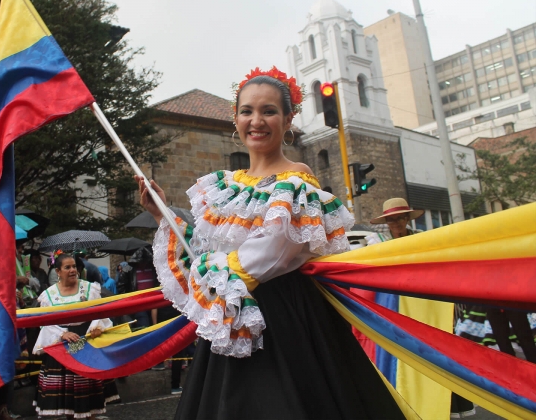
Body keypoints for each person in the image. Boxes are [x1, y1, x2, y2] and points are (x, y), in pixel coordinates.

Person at [135, 67, 404, 418]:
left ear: (288, 118)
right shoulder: (224, 185)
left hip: (282, 318)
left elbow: (273, 254)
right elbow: (203, 252)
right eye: (247, 111)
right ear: (235, 118)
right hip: (233, 312)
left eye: (269, 111)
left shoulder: (296, 181)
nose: (256, 121)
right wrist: (162, 215)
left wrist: (216, 279)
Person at [365, 198, 452, 419]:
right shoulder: (378, 244)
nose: (396, 223)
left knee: (428, 351)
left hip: (420, 306)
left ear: (407, 219)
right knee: (395, 354)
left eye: (399, 218)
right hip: (390, 308)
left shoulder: (422, 241)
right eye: (392, 220)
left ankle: (430, 399)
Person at [33, 253, 119, 418]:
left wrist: (96, 327)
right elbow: (44, 323)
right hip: (62, 346)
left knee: (89, 400)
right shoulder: (49, 296)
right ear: (58, 271)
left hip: (85, 343)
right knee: (68, 402)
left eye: (74, 267)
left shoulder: (89, 289)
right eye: (67, 267)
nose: (73, 270)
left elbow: (99, 313)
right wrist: (63, 334)